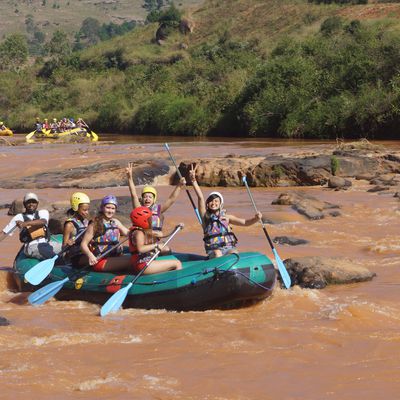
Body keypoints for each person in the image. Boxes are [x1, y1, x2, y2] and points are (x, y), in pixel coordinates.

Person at [189, 165, 262, 259]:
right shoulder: (205, 217)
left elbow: (245, 222)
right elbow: (200, 198)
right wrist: (193, 181)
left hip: (228, 248)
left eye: (216, 201)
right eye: (211, 201)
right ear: (207, 204)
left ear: (221, 204)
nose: (213, 203)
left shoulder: (227, 217)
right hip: (214, 251)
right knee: (217, 253)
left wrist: (256, 219)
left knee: (234, 252)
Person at [126, 162, 186, 253]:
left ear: (154, 199)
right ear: (142, 199)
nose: (147, 199)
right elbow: (133, 194)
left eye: (150, 197)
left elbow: (171, 199)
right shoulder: (139, 209)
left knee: (167, 249)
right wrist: (130, 178)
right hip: (143, 244)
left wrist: (179, 186)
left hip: (155, 243)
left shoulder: (159, 210)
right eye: (145, 196)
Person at [0, 192, 62, 260]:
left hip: (46, 243)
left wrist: (24, 224)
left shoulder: (43, 212)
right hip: (31, 246)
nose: (31, 204)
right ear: (24, 204)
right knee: (54, 257)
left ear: (37, 203)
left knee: (66, 250)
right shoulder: (19, 217)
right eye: (28, 202)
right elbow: (4, 233)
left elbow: (43, 222)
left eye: (34, 202)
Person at [80, 195, 131, 272]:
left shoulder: (115, 222)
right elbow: (83, 244)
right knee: (131, 261)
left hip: (115, 257)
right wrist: (90, 256)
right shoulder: (95, 224)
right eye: (108, 207)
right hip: (101, 260)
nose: (110, 211)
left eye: (113, 208)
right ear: (102, 208)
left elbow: (128, 233)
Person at [129, 206, 182, 274]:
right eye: (149, 219)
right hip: (143, 265)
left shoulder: (142, 230)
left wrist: (175, 228)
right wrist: (156, 245)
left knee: (168, 254)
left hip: (142, 263)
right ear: (143, 220)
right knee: (177, 263)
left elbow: (162, 235)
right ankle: (177, 282)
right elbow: (141, 249)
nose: (151, 221)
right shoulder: (139, 233)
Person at [62, 192, 91, 267]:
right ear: (76, 208)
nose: (87, 213)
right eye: (84, 210)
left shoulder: (86, 222)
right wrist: (68, 244)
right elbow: (64, 247)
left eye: (88, 210)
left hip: (86, 252)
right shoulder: (69, 225)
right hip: (75, 256)